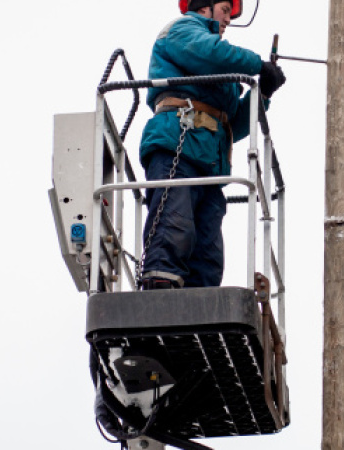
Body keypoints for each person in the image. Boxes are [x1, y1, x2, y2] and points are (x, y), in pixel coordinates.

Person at [138, 0, 286, 290]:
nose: (229, 19)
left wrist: (264, 93)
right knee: (174, 220)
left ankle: (201, 301)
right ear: (204, 5)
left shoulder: (224, 76)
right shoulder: (182, 30)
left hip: (209, 160)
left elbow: (234, 124)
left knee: (208, 246)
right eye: (226, 9)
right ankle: (160, 285)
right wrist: (258, 64)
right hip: (177, 142)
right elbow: (208, 52)